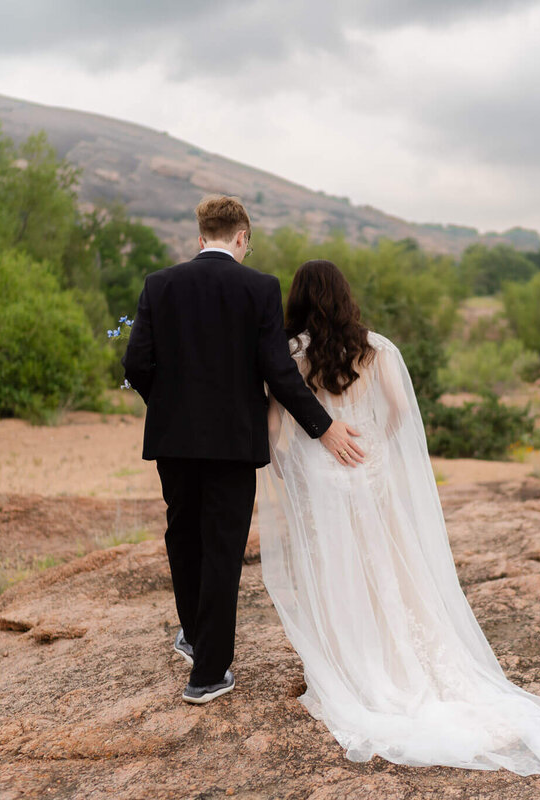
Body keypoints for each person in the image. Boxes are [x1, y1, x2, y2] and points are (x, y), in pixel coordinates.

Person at [256, 259, 540, 777]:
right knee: (384, 561)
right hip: (368, 465)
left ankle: (350, 661)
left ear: (296, 299)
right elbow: (400, 413)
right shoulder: (376, 348)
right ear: (345, 297)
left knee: (334, 568)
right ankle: (398, 653)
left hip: (321, 474)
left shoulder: (290, 353)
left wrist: (293, 467)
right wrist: (377, 447)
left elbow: (276, 427)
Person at [121, 196, 365, 705]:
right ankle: (208, 673)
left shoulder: (158, 285)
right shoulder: (258, 288)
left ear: (200, 235)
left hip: (174, 441)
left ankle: (194, 639)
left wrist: (168, 407)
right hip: (233, 443)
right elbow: (279, 373)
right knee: (222, 549)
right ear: (241, 238)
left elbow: (137, 363)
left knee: (183, 538)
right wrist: (325, 428)